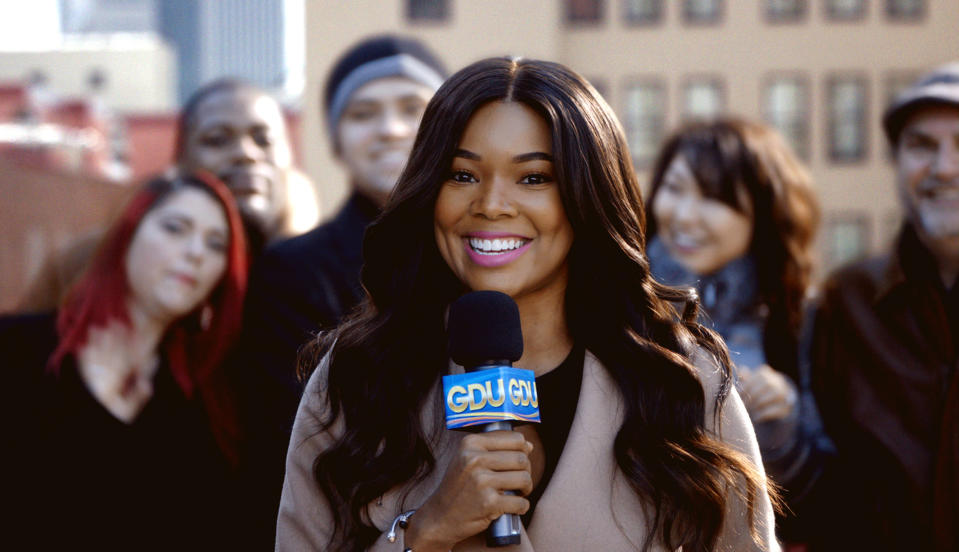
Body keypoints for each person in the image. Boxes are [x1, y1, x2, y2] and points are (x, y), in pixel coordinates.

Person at [275, 57, 779, 551]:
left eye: (534, 177)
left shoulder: (682, 379)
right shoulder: (355, 378)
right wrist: (425, 532)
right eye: (462, 175)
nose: (492, 204)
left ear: (587, 196)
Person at [235, 35, 447, 545]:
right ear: (335, 140)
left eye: (412, 108)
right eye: (363, 113)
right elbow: (303, 445)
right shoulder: (291, 272)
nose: (390, 130)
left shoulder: (491, 250)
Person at [4, 172, 248, 551]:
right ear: (127, 236)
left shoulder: (202, 413)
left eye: (216, 244)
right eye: (175, 228)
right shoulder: (15, 349)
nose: (197, 252)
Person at [644, 119, 831, 544]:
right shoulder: (622, 298)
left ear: (762, 212)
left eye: (713, 197)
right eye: (674, 189)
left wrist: (783, 422)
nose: (685, 215)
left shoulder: (798, 317)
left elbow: (823, 494)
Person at [809, 61, 959, 551]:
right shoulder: (847, 302)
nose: (945, 167)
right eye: (921, 145)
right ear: (896, 162)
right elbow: (823, 485)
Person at [15, 78, 317, 313]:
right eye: (217, 139)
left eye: (263, 139)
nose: (245, 153)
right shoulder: (90, 263)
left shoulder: (326, 272)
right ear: (181, 164)